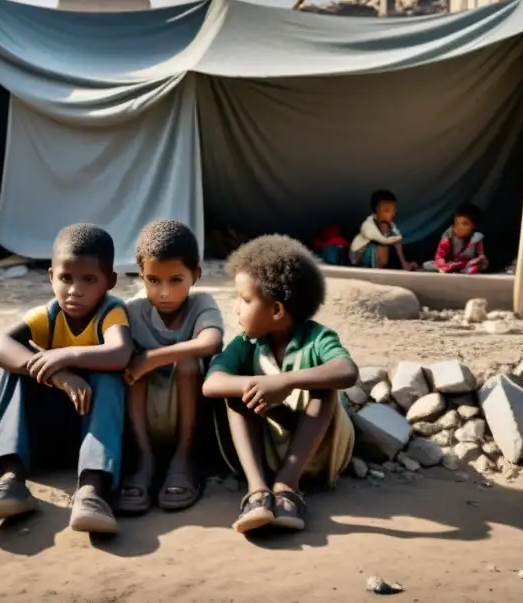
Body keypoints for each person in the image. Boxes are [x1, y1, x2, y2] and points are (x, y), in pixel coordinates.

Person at [0, 223, 133, 535]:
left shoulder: (111, 311)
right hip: (45, 438)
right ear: (51, 277)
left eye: (89, 279)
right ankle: (10, 480)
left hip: (94, 435)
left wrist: (63, 356)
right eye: (65, 278)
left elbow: (119, 353)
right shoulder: (47, 315)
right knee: (17, 369)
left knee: (109, 379)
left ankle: (93, 490)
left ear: (109, 282)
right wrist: (58, 375)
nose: (75, 290)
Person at [203, 235, 359, 535]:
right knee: (236, 393)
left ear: (276, 310)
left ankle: (288, 485)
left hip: (319, 453)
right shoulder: (246, 344)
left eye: (245, 300)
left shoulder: (316, 337)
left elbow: (347, 370)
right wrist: (261, 385)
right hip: (266, 451)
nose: (236, 308)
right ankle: (258, 491)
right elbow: (212, 383)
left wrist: (285, 381)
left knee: (323, 388)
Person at [119, 220, 224, 514]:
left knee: (185, 359)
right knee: (132, 359)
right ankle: (144, 459)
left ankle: (184, 457)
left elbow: (211, 341)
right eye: (153, 280)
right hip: (146, 415)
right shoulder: (132, 310)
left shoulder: (201, 303)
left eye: (176, 280)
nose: (164, 292)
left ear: (196, 275)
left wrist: (152, 358)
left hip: (189, 413)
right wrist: (141, 361)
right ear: (141, 276)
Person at [349, 190, 417, 270]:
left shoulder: (390, 225)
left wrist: (404, 263)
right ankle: (377, 269)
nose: (391, 213)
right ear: (376, 210)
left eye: (394, 210)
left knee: (391, 237)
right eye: (387, 210)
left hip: (375, 249)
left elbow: (398, 241)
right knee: (385, 239)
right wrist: (395, 239)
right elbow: (383, 240)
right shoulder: (368, 225)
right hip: (358, 256)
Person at [434, 203, 488, 274]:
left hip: (467, 264)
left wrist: (481, 260)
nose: (460, 227)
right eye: (457, 223)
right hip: (450, 264)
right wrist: (442, 265)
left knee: (475, 266)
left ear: (474, 225)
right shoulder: (448, 237)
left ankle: (464, 269)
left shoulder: (477, 238)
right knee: (429, 265)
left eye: (465, 224)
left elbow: (481, 255)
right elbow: (439, 256)